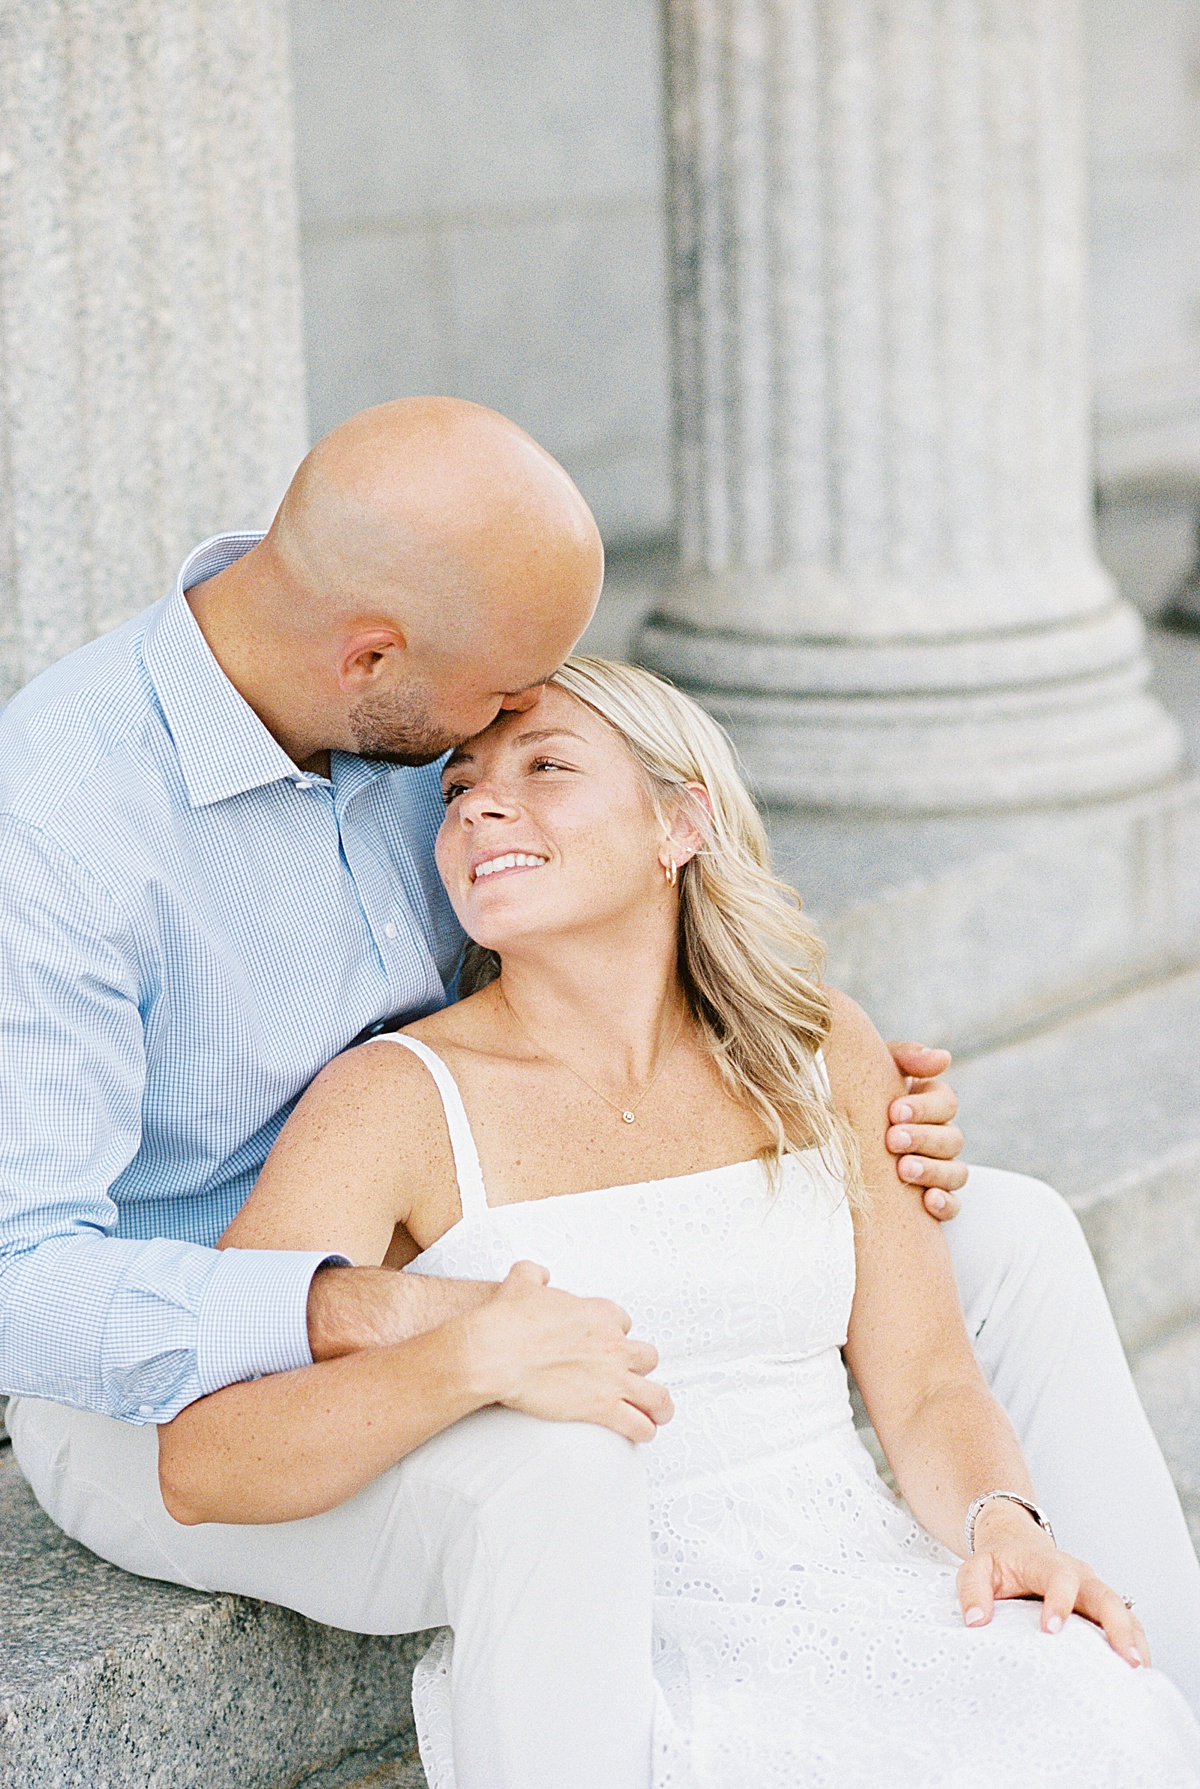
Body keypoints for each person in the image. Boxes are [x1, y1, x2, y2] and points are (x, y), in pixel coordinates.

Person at [0, 402, 1194, 1781]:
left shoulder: (412, 704)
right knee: (552, 1471)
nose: (504, 743)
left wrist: (838, 1105)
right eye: (493, 714)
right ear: (374, 658)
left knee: (1013, 1227)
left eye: (541, 738)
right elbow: (25, 1282)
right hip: (163, 1354)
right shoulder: (58, 826)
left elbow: (623, 917)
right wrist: (388, 1308)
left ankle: (1154, 1677)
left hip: (466, 1217)